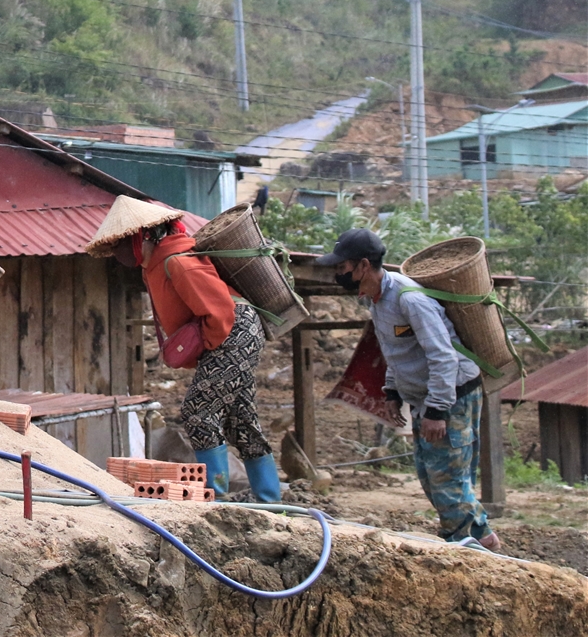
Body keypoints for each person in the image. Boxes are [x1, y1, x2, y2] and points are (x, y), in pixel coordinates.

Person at [87, 196, 281, 502]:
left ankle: (214, 496)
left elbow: (219, 311)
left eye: (123, 242)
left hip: (234, 329)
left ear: (143, 237)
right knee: (240, 417)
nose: (118, 250)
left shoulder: (178, 261)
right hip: (233, 332)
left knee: (199, 411)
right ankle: (269, 498)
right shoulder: (156, 266)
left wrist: (207, 347)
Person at [317, 228, 500, 550]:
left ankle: (468, 546)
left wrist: (437, 411)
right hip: (426, 396)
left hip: (453, 394)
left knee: (447, 481)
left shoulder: (410, 299)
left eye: (342, 267)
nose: (337, 274)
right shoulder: (376, 301)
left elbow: (443, 356)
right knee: (432, 477)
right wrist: (392, 393)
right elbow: (397, 352)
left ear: (363, 266)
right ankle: (480, 538)